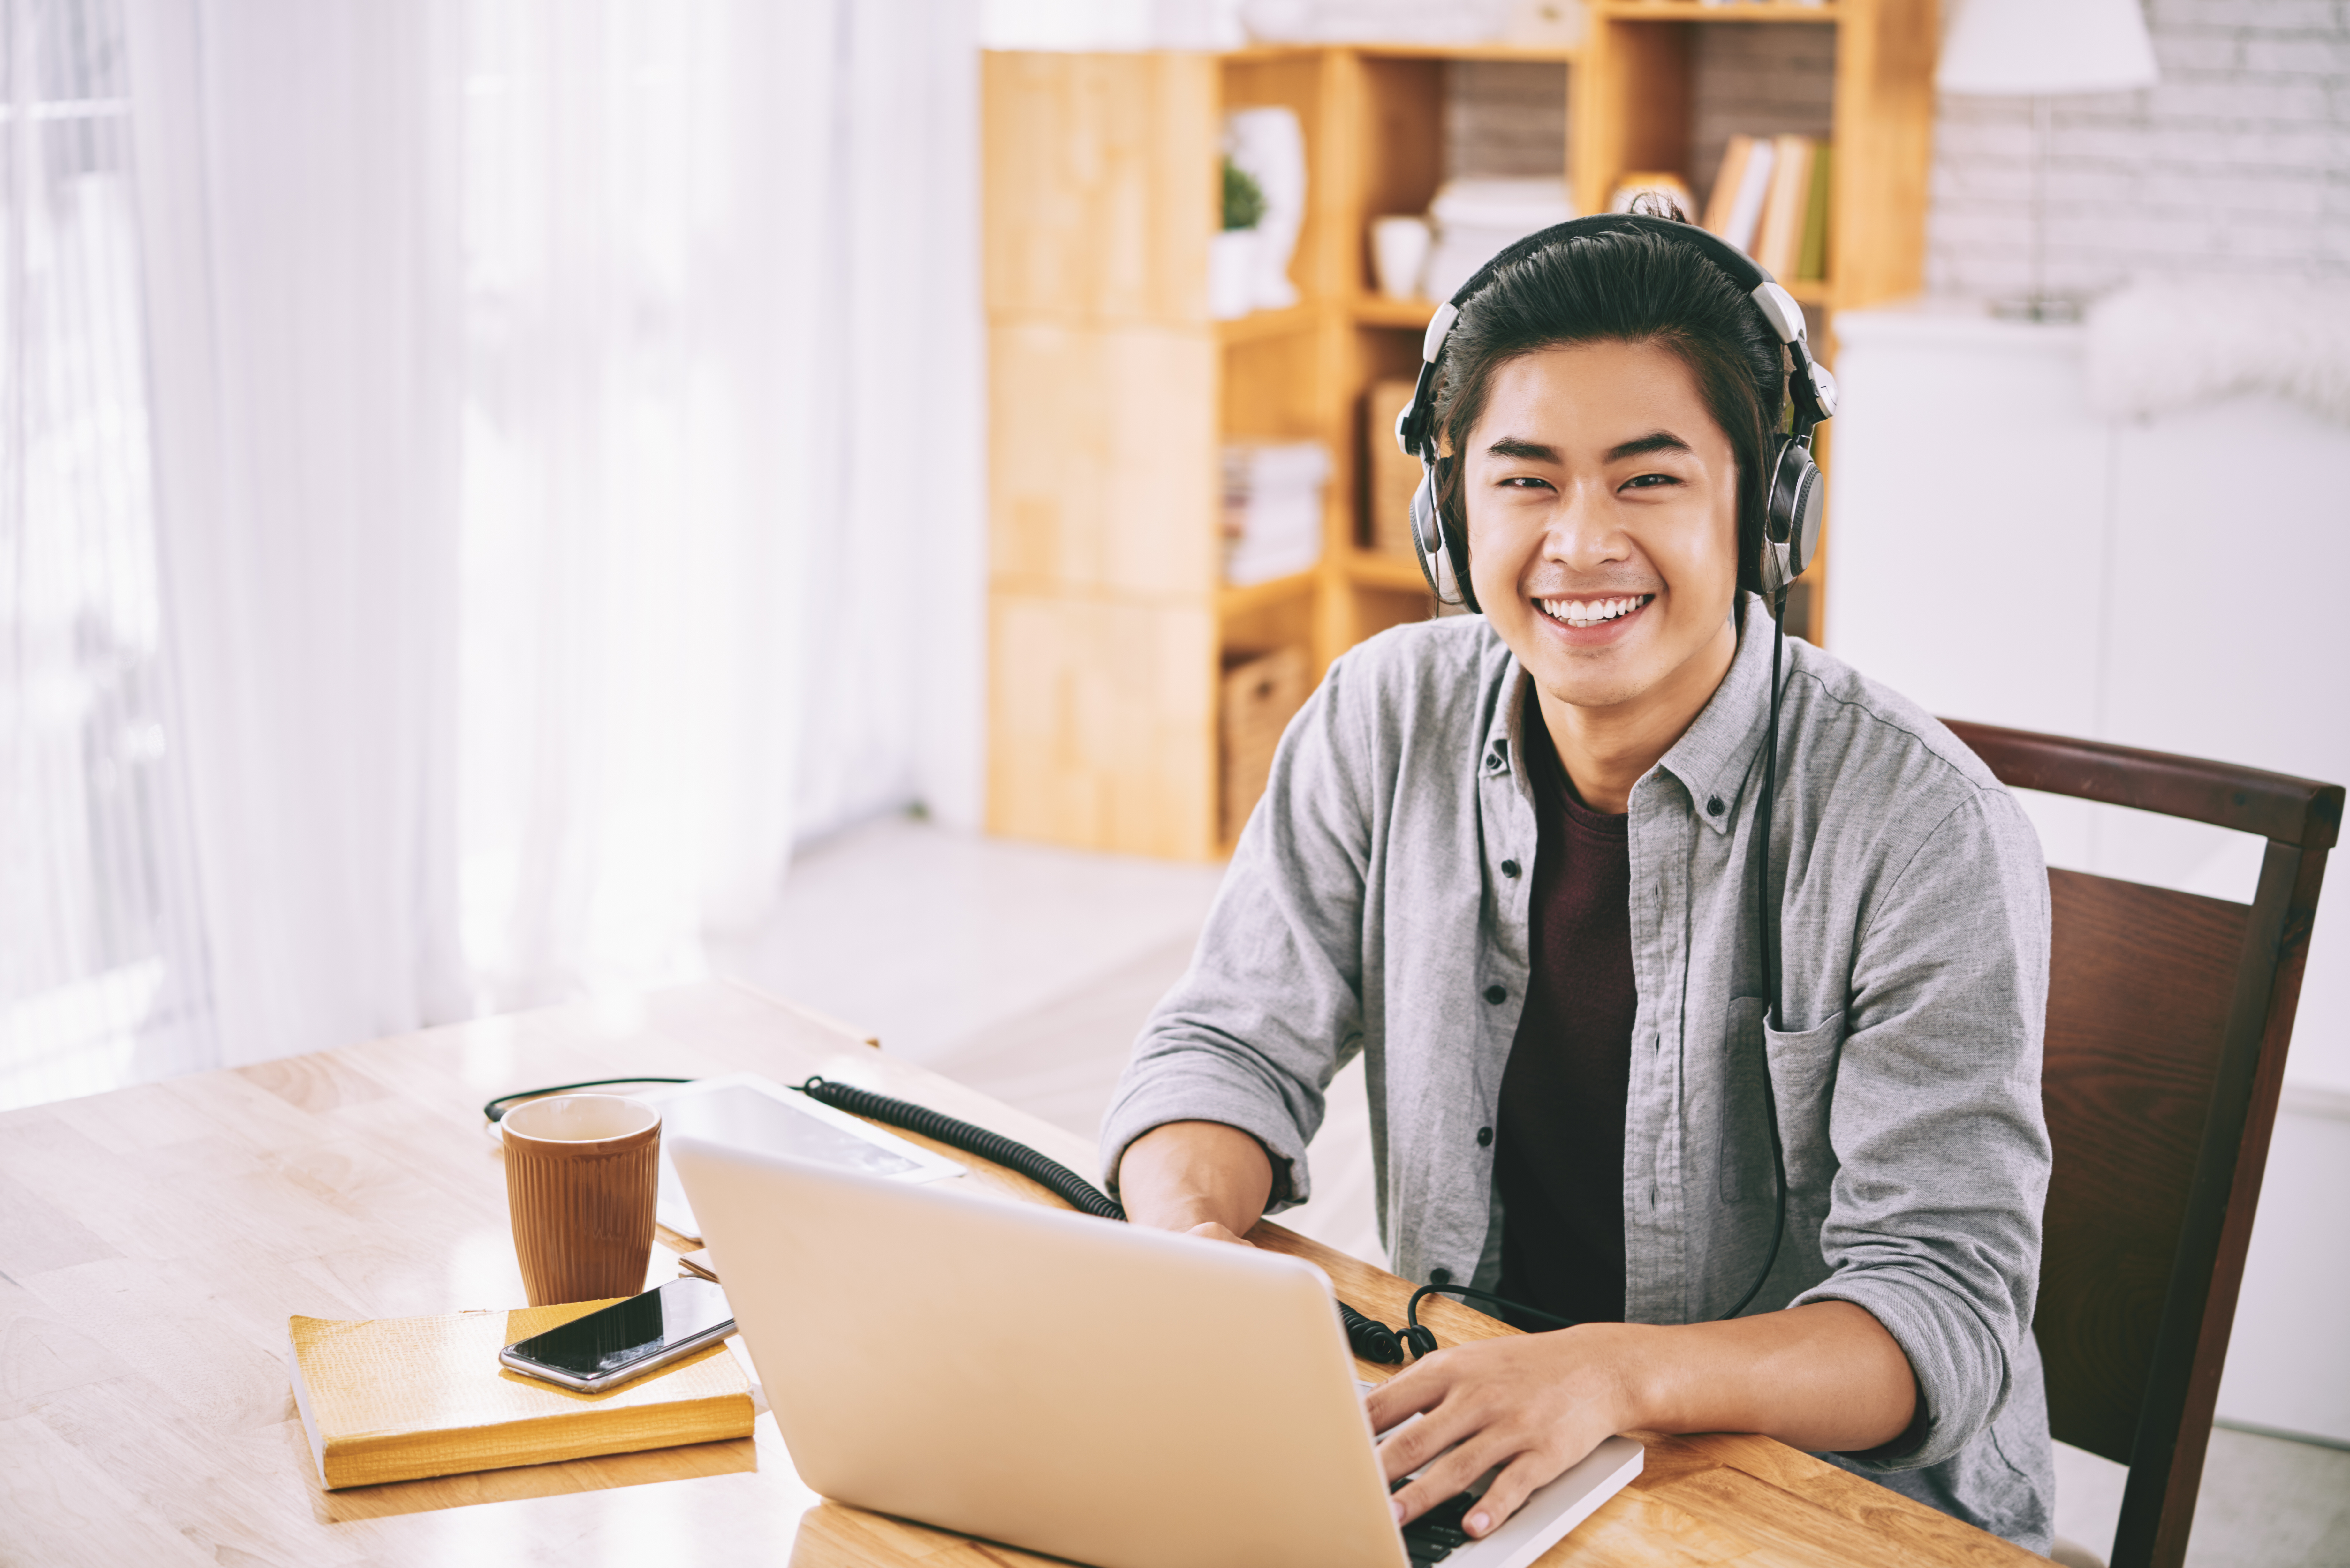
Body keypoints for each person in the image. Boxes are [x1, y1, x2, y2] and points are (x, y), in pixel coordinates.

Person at [1098, 212, 2056, 1553]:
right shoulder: (1380, 717)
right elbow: (1221, 1042)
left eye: (1647, 481)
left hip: (1812, 1501)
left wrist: (1610, 1372)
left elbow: (1941, 1307)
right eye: (1527, 481)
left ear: (1768, 506)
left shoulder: (1921, 826)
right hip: (1484, 1435)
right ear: (1449, 512)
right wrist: (1187, 1237)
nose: (1579, 543)